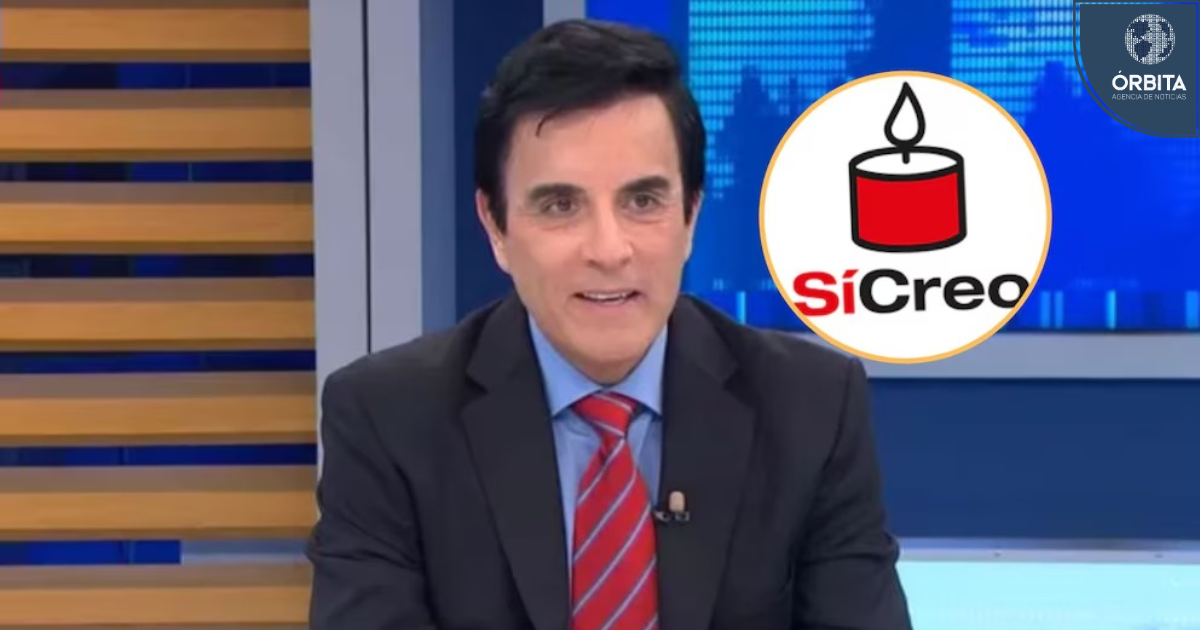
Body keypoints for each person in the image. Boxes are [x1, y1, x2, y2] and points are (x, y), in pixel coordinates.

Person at [306, 18, 912, 630]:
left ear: (690, 216)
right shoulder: (388, 419)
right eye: (560, 205)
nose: (608, 249)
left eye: (642, 202)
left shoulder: (811, 407)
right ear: (496, 226)